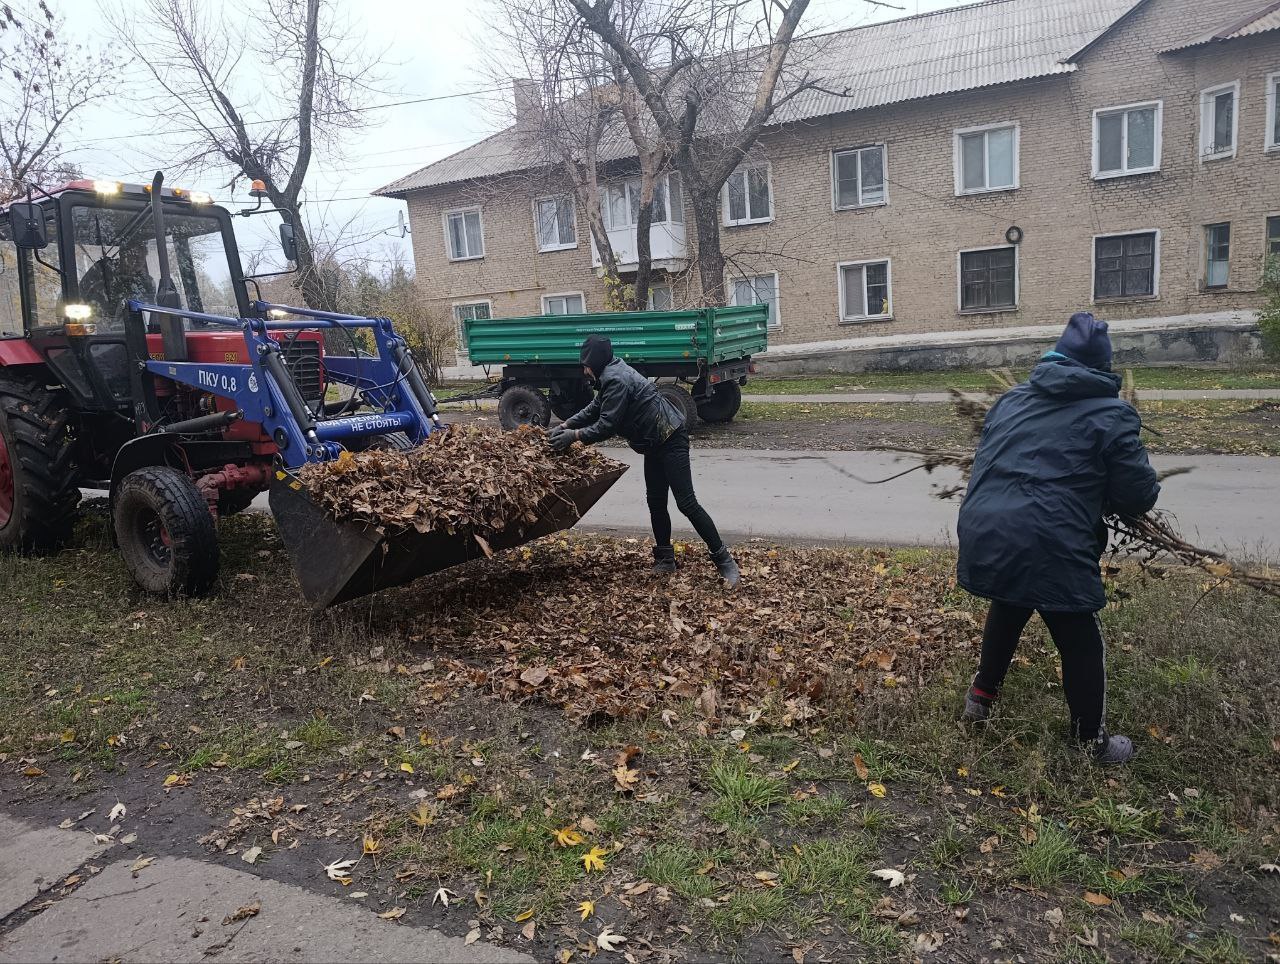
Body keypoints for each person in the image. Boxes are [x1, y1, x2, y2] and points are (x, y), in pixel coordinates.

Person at [955, 312, 1160, 764]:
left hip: (986, 528)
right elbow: (1137, 495)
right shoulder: (1113, 414)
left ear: (1056, 357)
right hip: (1050, 540)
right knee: (1079, 635)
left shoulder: (1010, 401)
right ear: (1102, 369)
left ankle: (979, 701)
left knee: (1010, 602)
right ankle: (1092, 742)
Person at [548, 334, 740, 587]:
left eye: (586, 364)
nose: (584, 370)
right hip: (654, 442)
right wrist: (567, 424)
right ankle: (665, 559)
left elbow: (607, 425)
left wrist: (573, 436)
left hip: (670, 438)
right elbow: (596, 407)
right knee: (656, 501)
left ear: (595, 362)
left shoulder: (615, 378)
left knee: (687, 503)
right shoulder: (612, 371)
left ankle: (725, 561)